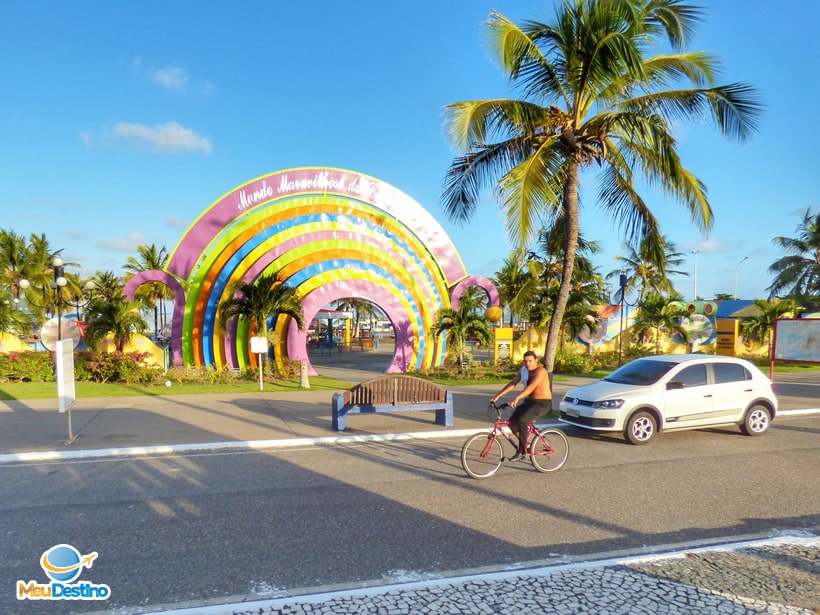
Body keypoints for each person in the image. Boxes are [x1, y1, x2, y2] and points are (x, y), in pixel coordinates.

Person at [489, 350, 552, 462]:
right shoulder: (523, 370)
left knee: (522, 422)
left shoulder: (541, 371)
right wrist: (497, 396)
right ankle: (526, 444)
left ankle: (522, 452)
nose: (528, 364)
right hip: (530, 402)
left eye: (530, 361)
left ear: (536, 360)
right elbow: (513, 383)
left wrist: (517, 398)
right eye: (525, 361)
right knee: (512, 423)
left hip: (542, 403)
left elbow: (531, 387)